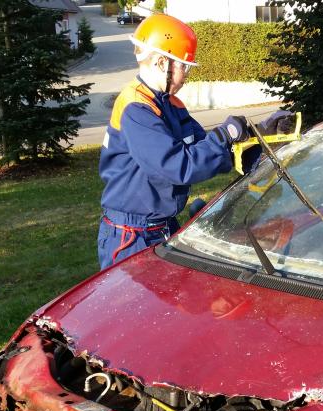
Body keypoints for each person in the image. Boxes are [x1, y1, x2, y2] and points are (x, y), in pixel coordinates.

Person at [98, 14, 281, 270]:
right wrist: (225, 134)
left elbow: (205, 149)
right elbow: (179, 166)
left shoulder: (170, 104)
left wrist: (258, 137)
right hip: (131, 235)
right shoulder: (136, 109)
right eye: (184, 66)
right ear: (163, 63)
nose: (186, 74)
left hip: (161, 226)